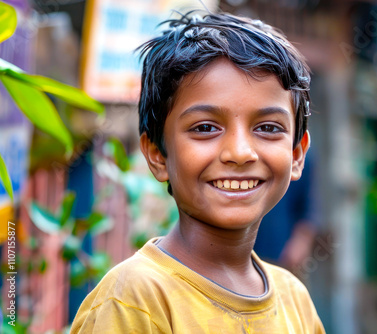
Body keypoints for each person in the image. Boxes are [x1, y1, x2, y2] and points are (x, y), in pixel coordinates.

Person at [71, 11, 325, 333]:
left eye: (267, 128)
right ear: (157, 155)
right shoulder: (135, 300)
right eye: (205, 128)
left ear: (297, 154)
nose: (239, 153)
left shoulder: (295, 301)